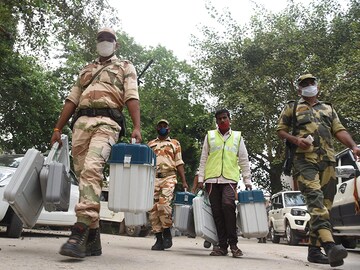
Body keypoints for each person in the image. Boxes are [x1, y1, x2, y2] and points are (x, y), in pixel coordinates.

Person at [50, 27, 142, 258]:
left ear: (116, 44)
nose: (104, 42)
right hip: (80, 124)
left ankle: (79, 232)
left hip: (108, 123)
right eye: (101, 39)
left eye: (109, 39)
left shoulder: (125, 66)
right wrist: (57, 128)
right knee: (84, 179)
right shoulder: (86, 69)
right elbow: (72, 99)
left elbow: (131, 95)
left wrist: (137, 126)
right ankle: (94, 239)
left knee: (92, 170)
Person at [277, 73, 360, 267]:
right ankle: (330, 247)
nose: (308, 86)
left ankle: (314, 251)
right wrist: (296, 140)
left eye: (311, 83)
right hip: (304, 161)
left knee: (326, 207)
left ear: (317, 86)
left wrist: (354, 146)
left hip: (328, 162)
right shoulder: (292, 107)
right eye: (304, 84)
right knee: (315, 200)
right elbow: (280, 130)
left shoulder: (328, 108)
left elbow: (339, 130)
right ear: (299, 89)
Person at [197, 109, 252, 258]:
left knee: (228, 205)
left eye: (224, 118)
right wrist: (201, 179)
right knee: (217, 213)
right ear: (216, 121)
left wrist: (247, 180)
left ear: (229, 119)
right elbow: (203, 158)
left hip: (229, 179)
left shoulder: (237, 137)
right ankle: (222, 246)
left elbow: (243, 160)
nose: (222, 120)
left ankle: (234, 244)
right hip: (211, 180)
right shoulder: (210, 136)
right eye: (219, 119)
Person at [147, 119, 189, 250]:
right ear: (156, 128)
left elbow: (179, 163)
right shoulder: (150, 144)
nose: (162, 128)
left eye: (165, 126)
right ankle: (158, 238)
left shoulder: (175, 144)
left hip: (169, 177)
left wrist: (184, 181)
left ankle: (167, 232)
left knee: (163, 204)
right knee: (153, 208)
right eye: (160, 126)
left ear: (169, 129)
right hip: (153, 178)